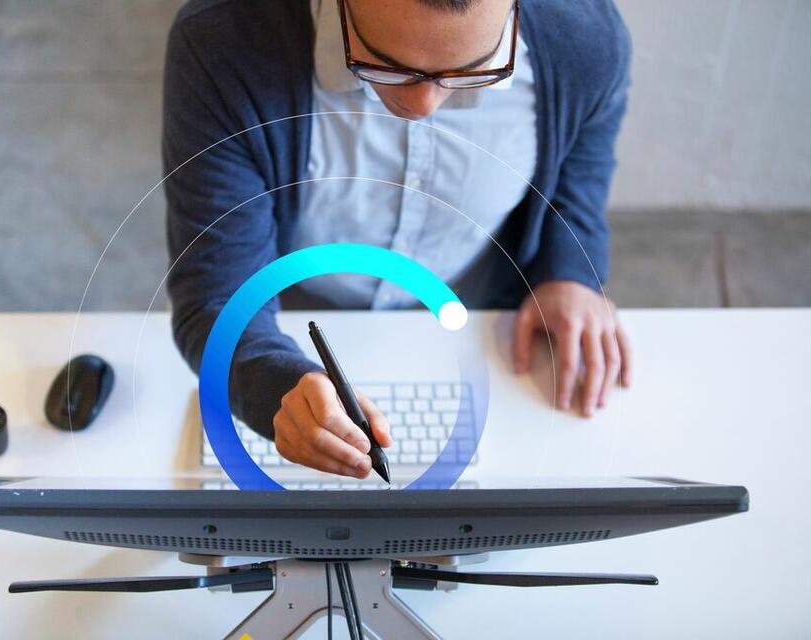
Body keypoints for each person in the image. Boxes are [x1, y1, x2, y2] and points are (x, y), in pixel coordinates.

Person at [163, 0, 633, 480]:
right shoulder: (219, 41)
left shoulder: (587, 39)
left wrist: (569, 269)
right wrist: (275, 384)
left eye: (472, 72)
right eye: (383, 66)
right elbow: (216, 293)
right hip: (297, 308)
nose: (421, 106)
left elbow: (580, 168)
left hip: (480, 307)